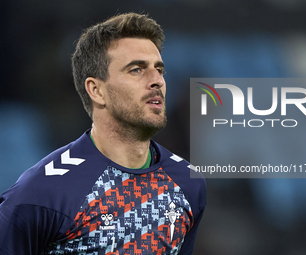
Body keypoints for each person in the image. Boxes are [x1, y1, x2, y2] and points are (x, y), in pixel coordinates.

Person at [0, 13, 206, 254]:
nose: (156, 81)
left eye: (159, 69)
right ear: (96, 90)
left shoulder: (187, 182)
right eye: (136, 70)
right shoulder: (41, 192)